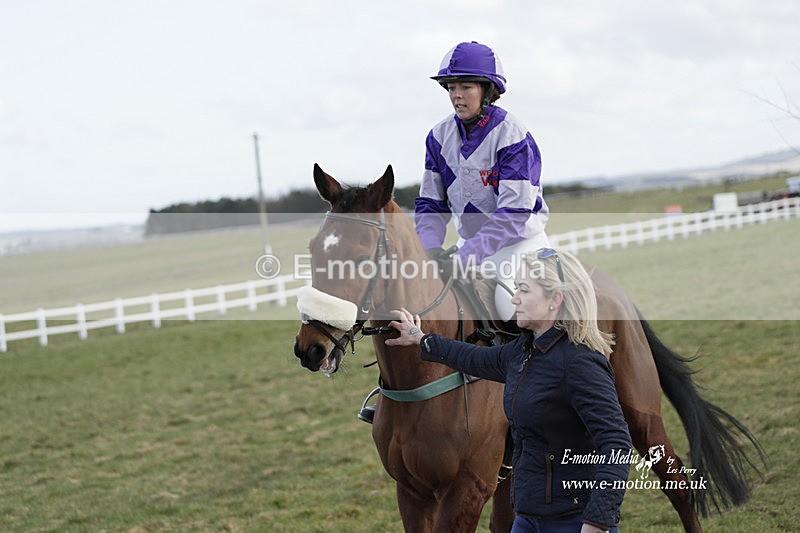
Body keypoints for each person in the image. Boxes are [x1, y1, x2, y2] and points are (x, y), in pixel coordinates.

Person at [385, 248, 632, 533]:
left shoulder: (581, 363)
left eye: (524, 290)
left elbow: (616, 444)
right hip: (527, 516)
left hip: (573, 521)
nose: (514, 298)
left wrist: (598, 522)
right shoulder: (524, 351)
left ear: (555, 299)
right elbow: (475, 358)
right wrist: (421, 340)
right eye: (516, 289)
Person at [415, 41, 551, 322]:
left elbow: (513, 213)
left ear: (488, 90)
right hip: (470, 249)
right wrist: (429, 249)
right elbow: (430, 204)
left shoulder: (512, 134)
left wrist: (466, 256)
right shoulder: (438, 137)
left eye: (466, 87)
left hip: (519, 247)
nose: (457, 96)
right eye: (451, 88)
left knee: (510, 304)